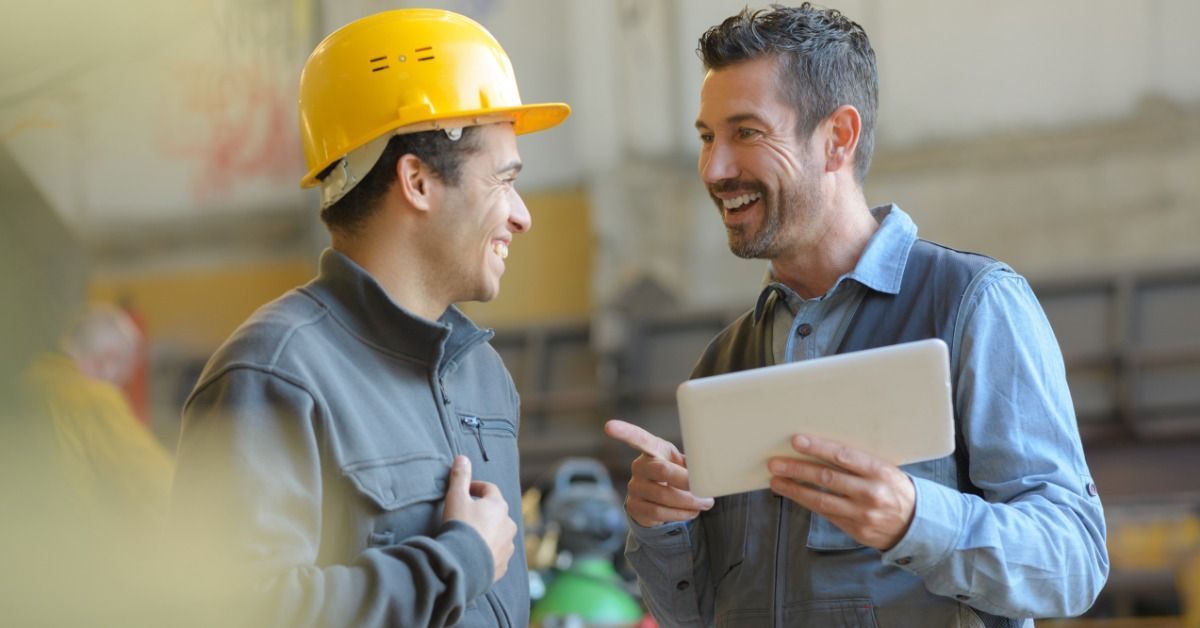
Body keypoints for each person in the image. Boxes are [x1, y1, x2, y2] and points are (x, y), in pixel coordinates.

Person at [604, 4, 1108, 627]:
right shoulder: (723, 363)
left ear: (838, 137)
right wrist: (662, 528)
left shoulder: (971, 305)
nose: (715, 169)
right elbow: (695, 616)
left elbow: (1075, 562)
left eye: (747, 133)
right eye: (707, 137)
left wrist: (914, 519)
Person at [169, 9, 569, 627]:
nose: (522, 215)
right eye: (503, 180)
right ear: (417, 181)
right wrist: (455, 562)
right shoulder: (274, 374)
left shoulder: (482, 375)